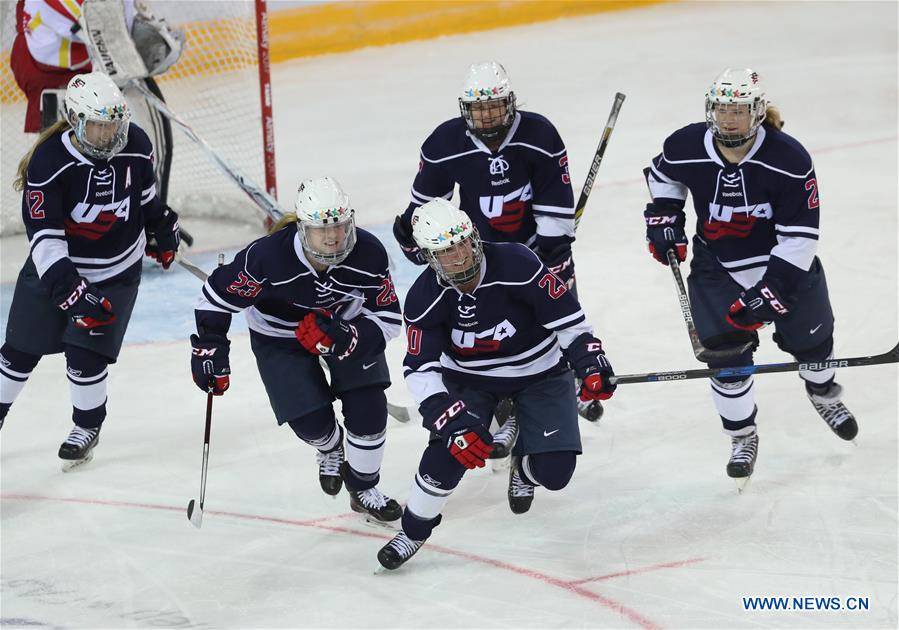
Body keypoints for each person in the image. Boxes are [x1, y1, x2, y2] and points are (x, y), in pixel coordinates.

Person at [376, 198, 617, 570]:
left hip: (542, 373)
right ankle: (413, 530)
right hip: (471, 381)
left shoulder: (517, 262)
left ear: (473, 237)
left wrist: (590, 361)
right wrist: (450, 420)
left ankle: (524, 468)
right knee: (446, 456)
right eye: (444, 251)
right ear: (428, 256)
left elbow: (569, 321)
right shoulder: (424, 298)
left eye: (461, 243)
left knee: (555, 474)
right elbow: (421, 370)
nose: (458, 257)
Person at [643, 68, 857, 483]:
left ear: (757, 113)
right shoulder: (685, 145)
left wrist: (772, 291)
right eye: (722, 110)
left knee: (814, 342)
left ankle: (822, 391)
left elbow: (799, 238)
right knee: (725, 358)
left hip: (782, 265)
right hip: (715, 267)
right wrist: (665, 215)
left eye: (738, 111)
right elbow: (664, 176)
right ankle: (742, 435)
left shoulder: (789, 159)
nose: (729, 119)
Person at [391, 61, 599, 462]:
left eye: (495, 106)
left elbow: (554, 201)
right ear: (464, 109)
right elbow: (425, 210)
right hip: (476, 254)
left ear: (510, 103)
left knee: (557, 320)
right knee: (492, 332)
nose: (487, 115)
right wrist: (416, 238)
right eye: (478, 108)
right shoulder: (443, 143)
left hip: (535, 251)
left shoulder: (539, 134)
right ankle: (506, 408)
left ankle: (561, 388)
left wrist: (549, 255)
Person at [189, 177, 404, 523]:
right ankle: (330, 446)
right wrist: (210, 347)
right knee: (310, 422)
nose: (333, 236)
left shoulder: (369, 253)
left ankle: (363, 488)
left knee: (369, 408)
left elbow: (389, 318)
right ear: (303, 230)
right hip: (278, 334)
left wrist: (348, 337)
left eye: (340, 225)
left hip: (343, 327)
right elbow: (214, 297)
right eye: (322, 229)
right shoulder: (266, 257)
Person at [0, 71, 181, 469]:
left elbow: (147, 200)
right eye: (98, 126)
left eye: (113, 124)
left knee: (86, 355)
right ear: (76, 121)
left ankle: (87, 426)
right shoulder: (49, 162)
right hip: (57, 271)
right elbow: (45, 239)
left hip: (116, 272)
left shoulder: (135, 144)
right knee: (18, 351)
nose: (108, 135)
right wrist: (69, 288)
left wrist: (162, 229)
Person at [11, 0, 183, 201]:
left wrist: (141, 26)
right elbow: (96, 19)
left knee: (148, 138)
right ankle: (64, 224)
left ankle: (151, 216)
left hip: (94, 58)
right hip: (55, 74)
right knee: (67, 158)